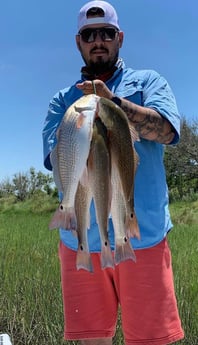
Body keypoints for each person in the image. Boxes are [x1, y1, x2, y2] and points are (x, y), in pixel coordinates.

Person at [42, 1, 185, 344]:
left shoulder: (148, 81)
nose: (98, 40)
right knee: (92, 339)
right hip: (80, 242)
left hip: (142, 236)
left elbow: (167, 131)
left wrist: (113, 105)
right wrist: (80, 124)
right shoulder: (62, 102)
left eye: (106, 33)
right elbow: (56, 160)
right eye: (89, 34)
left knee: (151, 339)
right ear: (78, 42)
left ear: (119, 38)